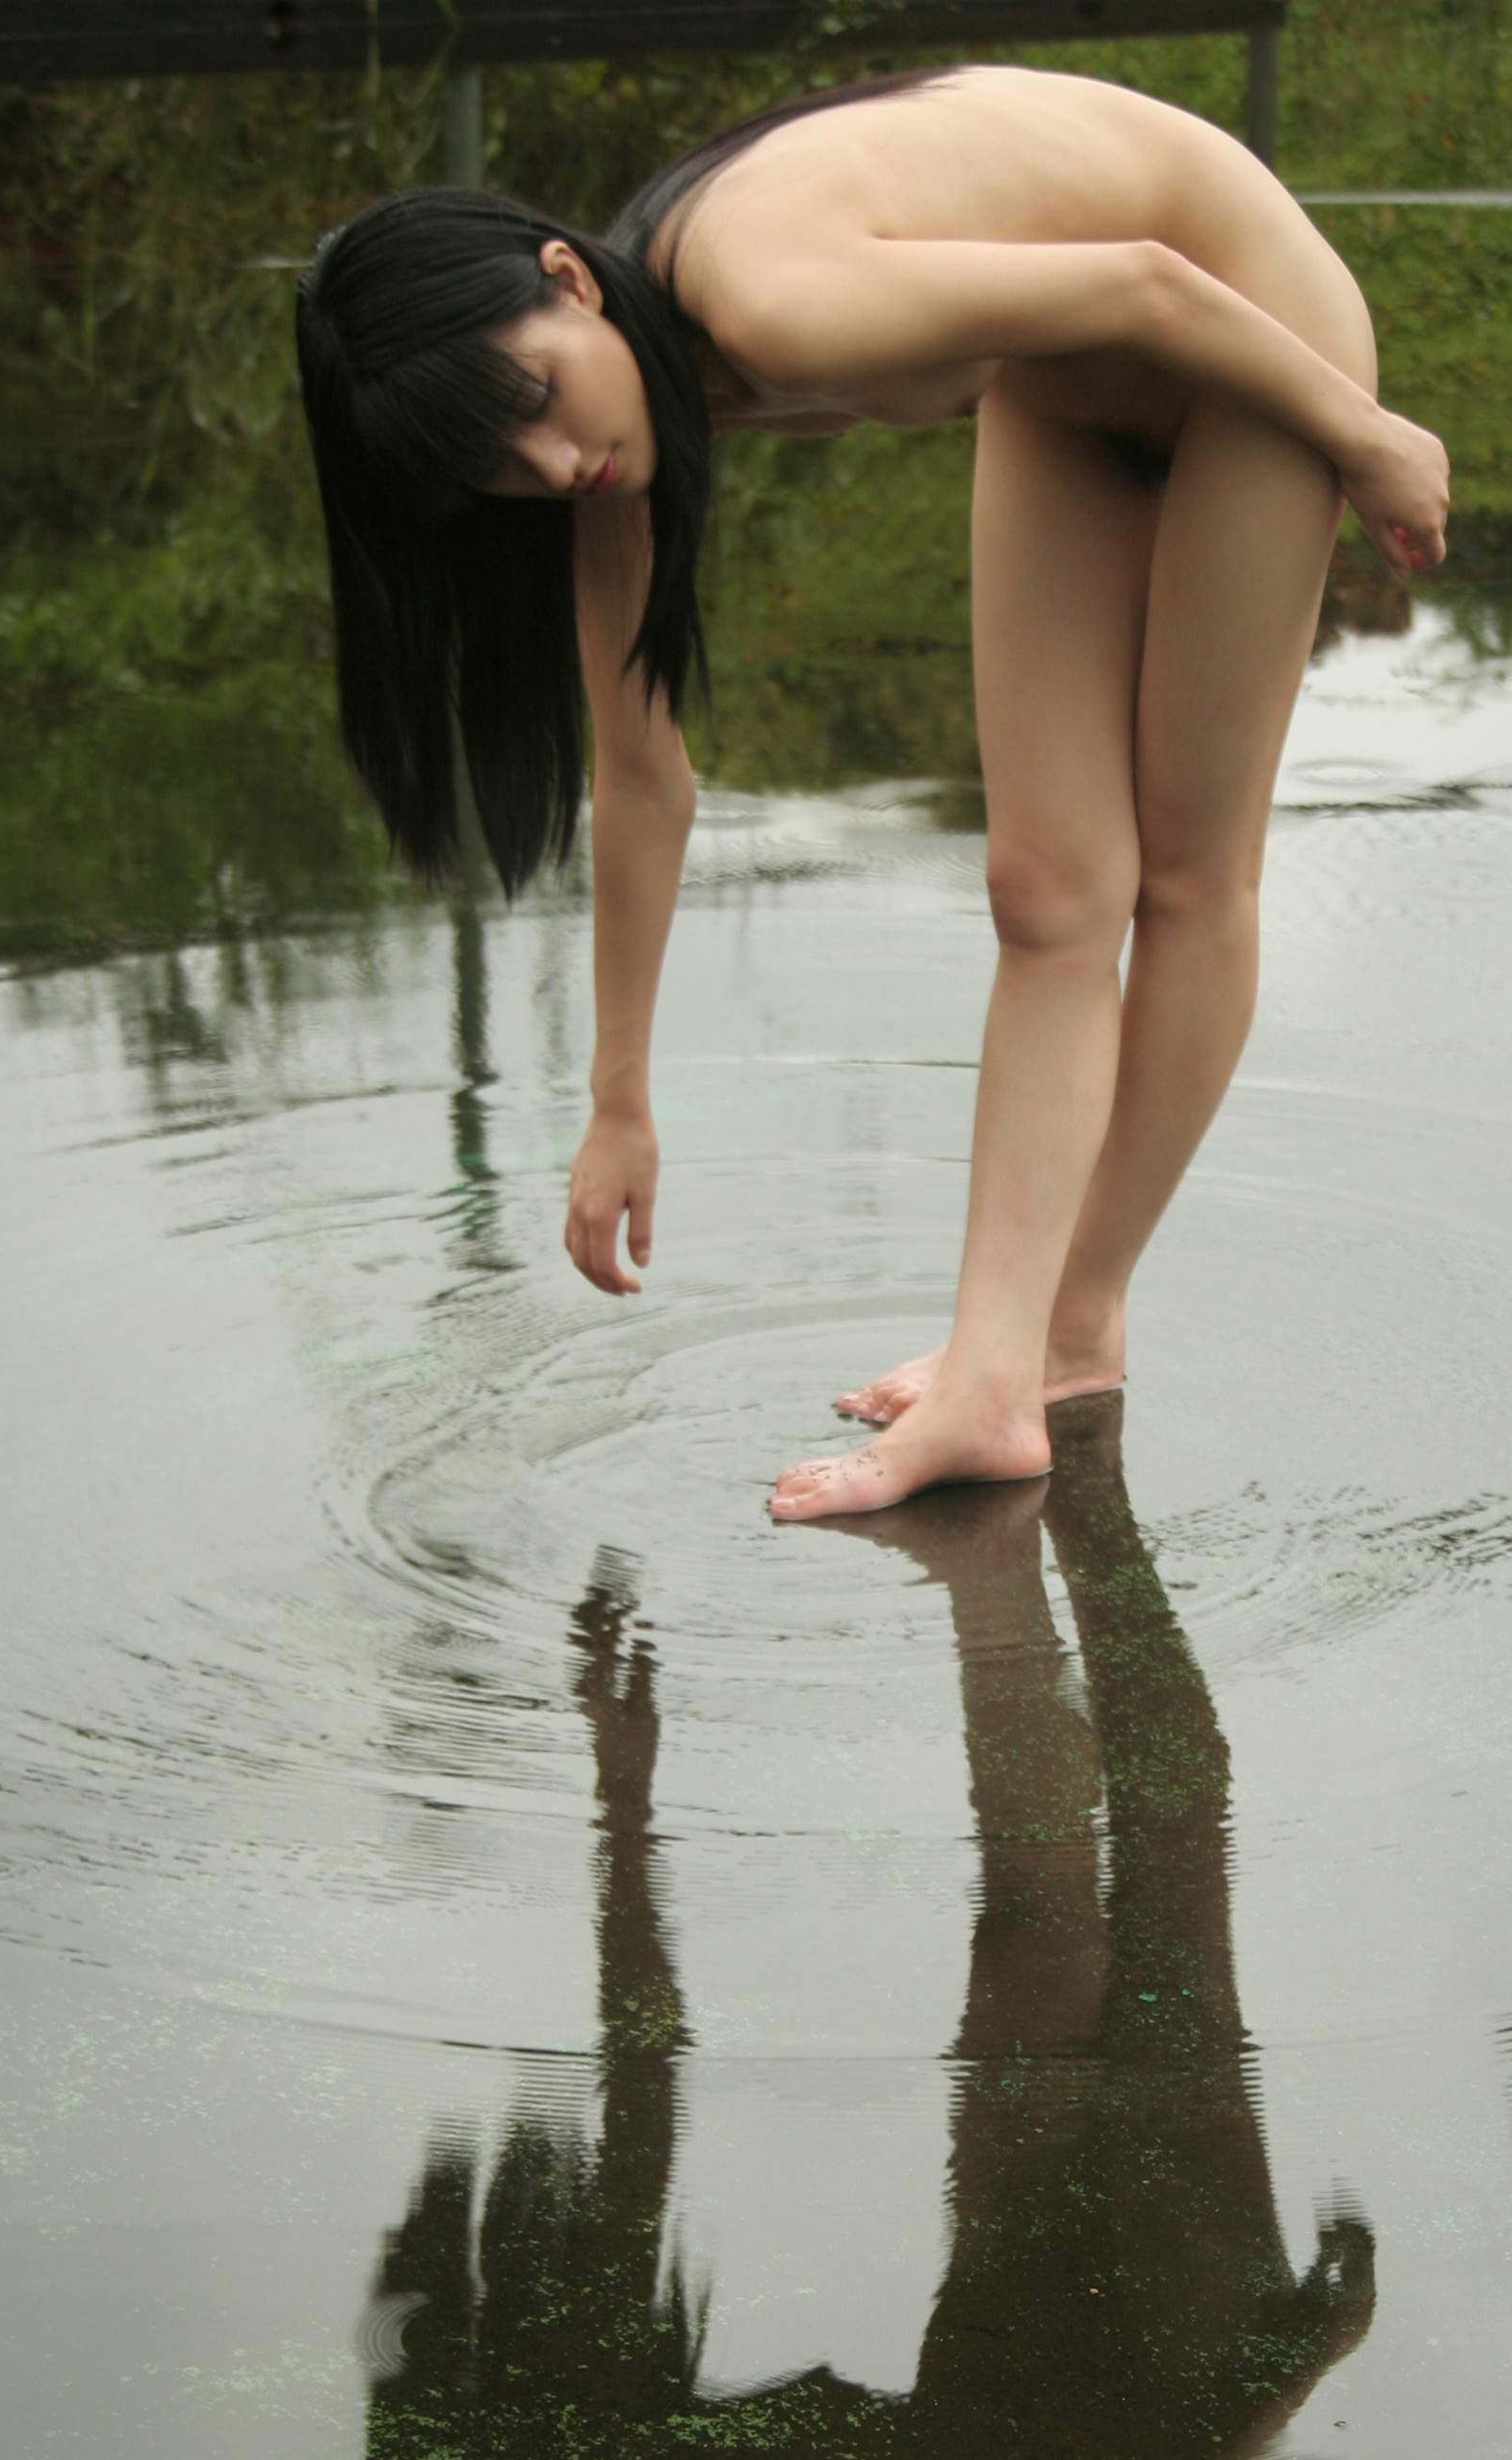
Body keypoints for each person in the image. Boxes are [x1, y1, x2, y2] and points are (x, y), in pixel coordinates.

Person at [295, 64, 1449, 1524]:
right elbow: (642, 779)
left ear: (568, 281)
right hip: (1071, 381)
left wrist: (1366, 436)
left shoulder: (773, 294)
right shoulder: (614, 449)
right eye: (498, 467)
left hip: (1246, 327)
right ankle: (1023, 1364)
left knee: (1188, 873)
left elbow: (1152, 284)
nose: (555, 462)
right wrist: (617, 1102)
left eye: (533, 399)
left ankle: (1053, 1331)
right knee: (1047, 892)